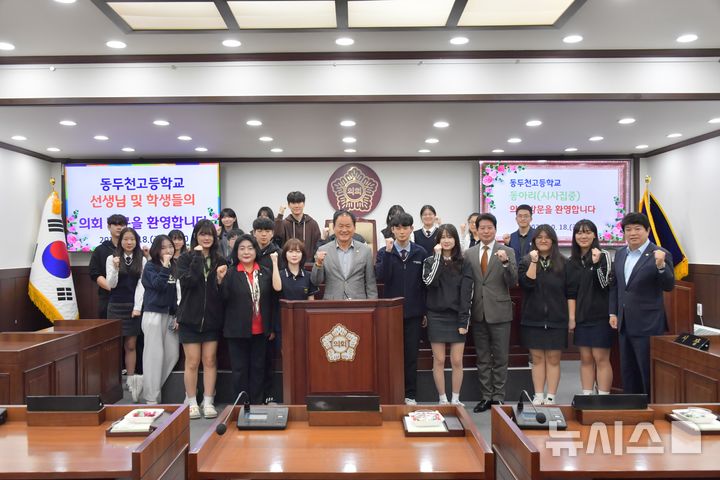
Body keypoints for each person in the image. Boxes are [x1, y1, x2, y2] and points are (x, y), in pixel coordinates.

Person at [610, 212, 674, 395]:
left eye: (638, 229)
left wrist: (661, 266)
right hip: (624, 323)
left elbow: (668, 286)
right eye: (628, 229)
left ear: (647, 231)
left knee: (647, 372)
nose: (633, 233)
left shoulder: (660, 254)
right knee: (628, 372)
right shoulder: (621, 254)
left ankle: (650, 410)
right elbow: (615, 286)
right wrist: (613, 313)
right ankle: (632, 409)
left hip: (648, 324)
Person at [460, 213, 518, 412]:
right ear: (476, 229)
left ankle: (499, 398)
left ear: (495, 229)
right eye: (481, 227)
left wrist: (504, 263)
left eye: (489, 227)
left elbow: (513, 281)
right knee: (483, 357)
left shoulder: (507, 251)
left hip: (500, 312)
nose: (485, 231)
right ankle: (486, 397)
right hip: (478, 312)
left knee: (501, 357)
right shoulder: (469, 253)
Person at [175, 219, 226, 419]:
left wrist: (221, 281)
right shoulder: (185, 259)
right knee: (192, 362)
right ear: (195, 236)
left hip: (212, 319)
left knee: (210, 360)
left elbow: (223, 293)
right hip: (189, 318)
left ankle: (208, 401)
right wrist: (197, 257)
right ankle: (191, 402)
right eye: (202, 234)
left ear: (214, 238)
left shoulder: (220, 260)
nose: (206, 238)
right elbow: (189, 282)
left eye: (210, 235)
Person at [375, 212, 427, 405]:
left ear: (411, 229)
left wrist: (424, 311)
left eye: (406, 228)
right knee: (390, 355)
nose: (402, 231)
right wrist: (388, 254)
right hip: (391, 314)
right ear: (392, 230)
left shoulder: (420, 252)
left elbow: (425, 284)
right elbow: (382, 277)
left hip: (413, 313)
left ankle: (410, 394)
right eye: (398, 228)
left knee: (411, 356)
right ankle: (390, 393)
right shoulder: (384, 252)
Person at [220, 234, 276, 404]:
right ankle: (241, 405)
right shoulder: (230, 274)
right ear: (236, 252)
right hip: (237, 331)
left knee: (258, 369)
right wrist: (220, 281)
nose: (246, 252)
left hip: (261, 330)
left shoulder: (265, 272)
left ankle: (257, 403)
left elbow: (272, 302)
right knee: (239, 370)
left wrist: (271, 328)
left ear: (256, 250)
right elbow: (223, 301)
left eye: (250, 248)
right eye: (242, 248)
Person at [518, 225, 569, 405]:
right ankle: (538, 394)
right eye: (539, 237)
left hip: (557, 318)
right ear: (534, 241)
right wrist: (533, 262)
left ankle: (551, 396)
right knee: (537, 358)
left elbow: (569, 292)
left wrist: (570, 318)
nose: (543, 240)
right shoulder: (525, 261)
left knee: (554, 359)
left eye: (547, 237)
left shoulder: (564, 262)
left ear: (553, 241)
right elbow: (527, 285)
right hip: (533, 318)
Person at [566, 220, 615, 396]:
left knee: (601, 358)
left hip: (601, 316)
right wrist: (572, 318)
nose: (583, 236)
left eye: (587, 232)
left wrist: (595, 264)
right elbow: (570, 293)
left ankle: (603, 398)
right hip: (582, 317)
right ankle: (587, 397)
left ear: (594, 235)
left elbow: (605, 285)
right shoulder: (571, 261)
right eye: (579, 233)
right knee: (585, 359)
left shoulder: (603, 256)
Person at [423, 224, 467, 406]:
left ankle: (456, 398)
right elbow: (430, 282)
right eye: (443, 237)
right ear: (438, 241)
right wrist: (438, 258)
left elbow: (466, 293)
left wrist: (464, 320)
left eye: (450, 237)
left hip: (457, 316)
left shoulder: (463, 263)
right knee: (439, 360)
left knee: (457, 360)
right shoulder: (429, 261)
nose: (446, 240)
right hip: (436, 316)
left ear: (455, 240)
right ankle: (442, 399)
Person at [106, 226, 146, 402]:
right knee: (115, 345)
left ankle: (131, 380)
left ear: (136, 242)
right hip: (115, 305)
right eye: (125, 239)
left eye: (132, 239)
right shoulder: (111, 258)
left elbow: (142, 285)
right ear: (120, 242)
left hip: (133, 306)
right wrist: (115, 268)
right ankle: (113, 381)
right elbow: (111, 284)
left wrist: (137, 307)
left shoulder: (142, 259)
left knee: (131, 344)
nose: (129, 242)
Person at [140, 235, 180, 404]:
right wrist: (164, 267)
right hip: (153, 314)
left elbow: (177, 292)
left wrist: (178, 314)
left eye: (170, 247)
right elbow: (158, 285)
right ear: (157, 250)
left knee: (172, 355)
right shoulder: (150, 266)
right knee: (153, 356)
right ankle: (151, 398)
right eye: (163, 248)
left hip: (170, 315)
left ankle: (147, 388)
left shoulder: (176, 266)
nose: (168, 250)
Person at [311, 209, 378, 300]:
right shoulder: (323, 250)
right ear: (334, 227)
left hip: (359, 305)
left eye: (348, 226)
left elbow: (371, 284)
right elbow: (316, 281)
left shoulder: (365, 250)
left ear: (354, 227)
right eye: (340, 226)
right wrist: (318, 264)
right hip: (332, 305)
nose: (344, 230)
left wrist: (372, 306)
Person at [252, 216, 282, 404]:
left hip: (270, 309)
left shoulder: (277, 253)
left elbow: (278, 291)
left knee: (268, 359)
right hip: (250, 312)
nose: (263, 234)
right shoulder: (248, 251)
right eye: (260, 231)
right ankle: (253, 396)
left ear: (272, 233)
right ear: (254, 232)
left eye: (267, 231)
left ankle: (269, 395)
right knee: (253, 361)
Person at [89, 214, 127, 318]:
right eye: (115, 224)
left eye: (122, 224)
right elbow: (95, 274)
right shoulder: (101, 250)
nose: (119, 227)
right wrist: (113, 289)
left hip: (129, 298)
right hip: (108, 297)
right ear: (109, 227)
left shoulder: (131, 249)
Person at [275, 191, 321, 261]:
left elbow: (317, 245)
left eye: (299, 202)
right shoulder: (284, 223)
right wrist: (280, 215)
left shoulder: (312, 224)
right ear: (289, 205)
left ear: (304, 204)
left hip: (308, 266)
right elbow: (276, 238)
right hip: (288, 265)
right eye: (293, 203)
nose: (296, 206)